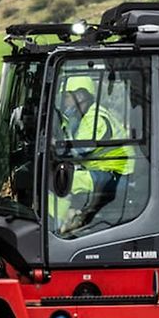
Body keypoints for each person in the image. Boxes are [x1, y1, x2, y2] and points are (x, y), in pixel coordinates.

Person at [53, 80, 135, 235]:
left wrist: (54, 148)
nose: (64, 101)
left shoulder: (95, 117)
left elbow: (79, 150)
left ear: (80, 95)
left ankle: (53, 229)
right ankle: (59, 223)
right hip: (102, 171)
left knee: (64, 180)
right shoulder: (78, 118)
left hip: (116, 175)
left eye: (67, 97)